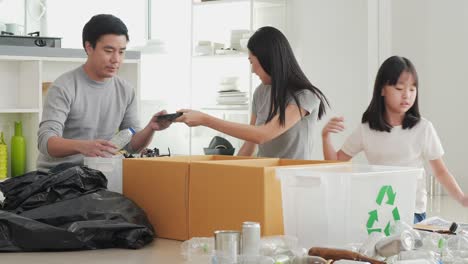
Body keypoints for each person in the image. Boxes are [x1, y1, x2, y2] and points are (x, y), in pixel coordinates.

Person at [322, 55, 468, 223]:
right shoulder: (366, 130)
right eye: (399, 88)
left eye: (412, 89)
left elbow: (440, 172)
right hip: (377, 212)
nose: (407, 95)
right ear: (382, 90)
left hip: (412, 212)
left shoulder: (423, 128)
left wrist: (461, 198)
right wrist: (326, 137)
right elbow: (335, 163)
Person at [37, 14, 171, 172]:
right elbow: (46, 142)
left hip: (97, 175)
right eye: (109, 51)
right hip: (57, 176)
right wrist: (83, 147)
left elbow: (131, 146)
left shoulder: (126, 91)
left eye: (121, 52)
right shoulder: (64, 87)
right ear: (89, 48)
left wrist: (151, 128)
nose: (116, 59)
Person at [175, 26, 329, 159]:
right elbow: (250, 145)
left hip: (293, 181)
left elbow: (262, 135)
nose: (252, 70)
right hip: (263, 176)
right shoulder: (261, 92)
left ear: (269, 60)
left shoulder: (305, 96)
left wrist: (205, 119)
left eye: (252, 62)